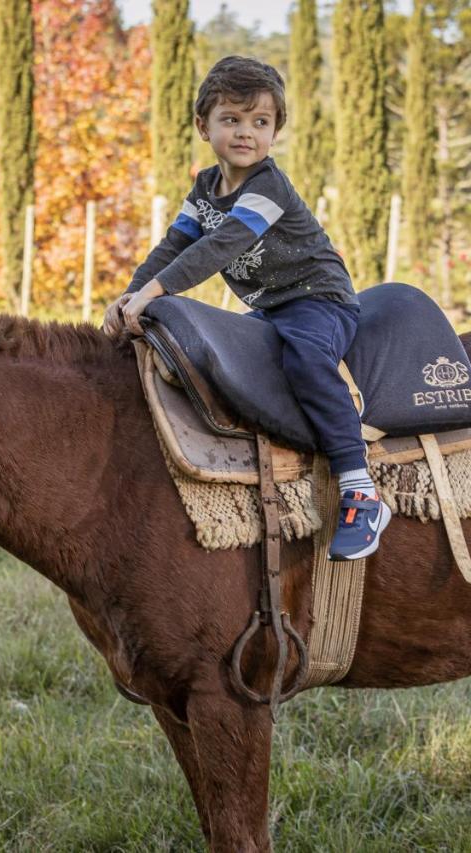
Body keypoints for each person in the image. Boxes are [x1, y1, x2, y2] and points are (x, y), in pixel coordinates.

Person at [103, 56, 390, 561]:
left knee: (304, 358)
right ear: (203, 126)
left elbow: (221, 247)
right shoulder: (204, 189)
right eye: (230, 120)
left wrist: (155, 294)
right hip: (270, 308)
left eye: (260, 122)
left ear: (275, 132)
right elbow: (175, 246)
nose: (245, 133)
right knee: (230, 365)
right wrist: (131, 295)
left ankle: (359, 486)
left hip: (318, 300)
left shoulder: (269, 187)